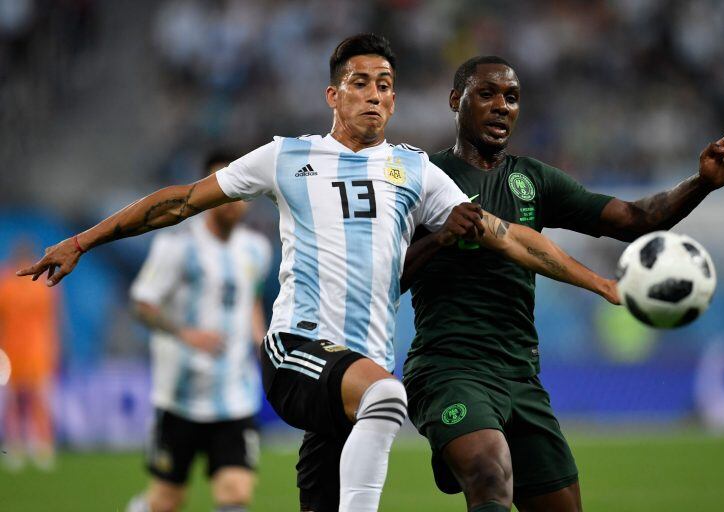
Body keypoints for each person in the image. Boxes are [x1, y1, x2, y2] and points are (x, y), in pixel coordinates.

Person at [17, 35, 619, 512]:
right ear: (333, 95)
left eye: (386, 85)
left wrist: (597, 282)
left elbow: (511, 238)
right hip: (297, 351)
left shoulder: (412, 171)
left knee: (365, 421)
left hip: (352, 385)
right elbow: (178, 202)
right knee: (389, 396)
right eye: (360, 83)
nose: (375, 95)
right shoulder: (288, 156)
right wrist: (82, 240)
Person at [400, 56, 724, 512]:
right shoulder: (423, 179)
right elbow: (389, 276)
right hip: (450, 369)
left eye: (511, 97)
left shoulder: (533, 180)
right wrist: (440, 239)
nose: (502, 106)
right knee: (489, 471)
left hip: (519, 374)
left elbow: (635, 219)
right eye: (486, 94)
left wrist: (701, 183)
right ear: (455, 100)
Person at [125, 151, 272, 512]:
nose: (230, 199)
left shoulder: (257, 250)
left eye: (238, 190)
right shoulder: (177, 246)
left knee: (236, 493)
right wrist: (184, 333)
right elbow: (142, 304)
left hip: (235, 397)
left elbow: (248, 297)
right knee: (166, 500)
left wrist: (261, 340)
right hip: (180, 398)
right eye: (220, 187)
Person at [0, 239, 60, 471]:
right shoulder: (10, 282)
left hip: (30, 349)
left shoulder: (33, 283)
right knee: (21, 399)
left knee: (32, 399)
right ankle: (25, 447)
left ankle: (35, 446)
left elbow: (53, 319)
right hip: (21, 349)